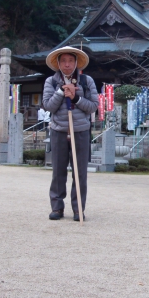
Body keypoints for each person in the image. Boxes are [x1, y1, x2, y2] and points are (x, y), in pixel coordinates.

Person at [42, 46, 99, 221]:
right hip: (59, 130)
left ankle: (78, 209)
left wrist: (76, 98)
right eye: (63, 61)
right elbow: (48, 106)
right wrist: (61, 91)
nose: (67, 64)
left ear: (76, 63)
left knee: (80, 173)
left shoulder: (86, 81)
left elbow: (93, 106)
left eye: (70, 61)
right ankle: (57, 207)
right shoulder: (51, 82)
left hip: (80, 131)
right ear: (58, 63)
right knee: (58, 172)